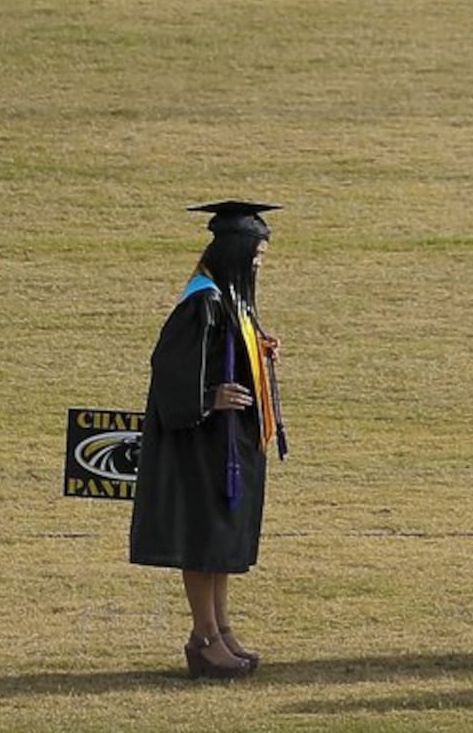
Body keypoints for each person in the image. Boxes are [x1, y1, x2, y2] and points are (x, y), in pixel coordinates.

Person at [130, 200, 286, 680]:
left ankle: (221, 629)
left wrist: (259, 354)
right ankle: (203, 638)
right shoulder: (203, 301)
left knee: (218, 539)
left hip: (226, 445)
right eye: (255, 255)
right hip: (200, 444)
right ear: (234, 252)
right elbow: (168, 370)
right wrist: (209, 396)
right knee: (202, 538)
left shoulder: (230, 299)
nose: (258, 264)